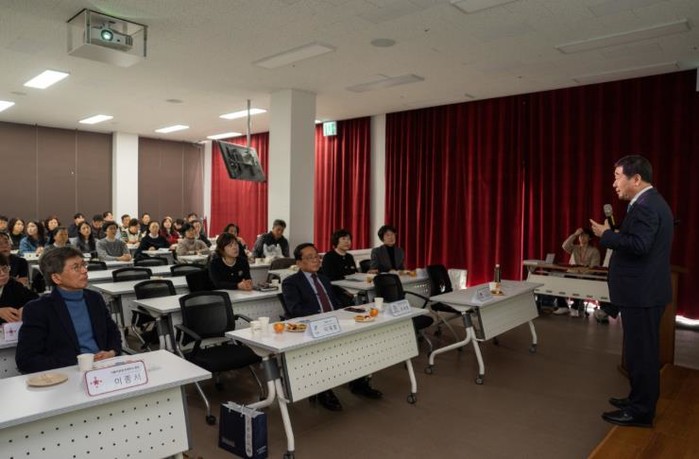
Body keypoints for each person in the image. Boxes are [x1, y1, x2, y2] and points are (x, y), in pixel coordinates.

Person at [589, 155, 673, 428]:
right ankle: (637, 399)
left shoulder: (646, 206)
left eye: (617, 177)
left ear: (636, 179)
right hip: (642, 292)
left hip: (643, 294)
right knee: (638, 353)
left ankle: (641, 412)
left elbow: (639, 245)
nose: (614, 183)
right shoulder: (649, 202)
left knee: (642, 355)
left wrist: (607, 236)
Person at [282, 243, 382, 411]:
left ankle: (358, 382)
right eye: (309, 257)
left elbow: (334, 302)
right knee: (326, 350)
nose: (315, 260)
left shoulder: (323, 279)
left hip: (334, 322)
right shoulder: (291, 282)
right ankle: (323, 390)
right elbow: (295, 309)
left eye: (316, 256)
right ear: (298, 263)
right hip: (313, 327)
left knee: (359, 339)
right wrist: (322, 315)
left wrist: (344, 312)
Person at [15, 246, 122, 373]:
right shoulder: (38, 309)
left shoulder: (94, 298)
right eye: (76, 267)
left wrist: (111, 353)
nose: (84, 270)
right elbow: (26, 360)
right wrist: (77, 363)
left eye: (83, 265)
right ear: (56, 278)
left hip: (103, 367)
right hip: (67, 374)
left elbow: (113, 333)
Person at [552, 228, 601, 317]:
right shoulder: (575, 248)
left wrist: (583, 274)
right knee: (558, 279)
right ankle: (563, 306)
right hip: (572, 273)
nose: (582, 237)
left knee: (581, 282)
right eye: (580, 236)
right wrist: (575, 234)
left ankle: (575, 307)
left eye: (585, 236)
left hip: (585, 275)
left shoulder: (594, 251)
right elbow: (564, 246)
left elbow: (594, 268)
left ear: (589, 238)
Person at [321, 229, 359, 306]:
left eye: (349, 239)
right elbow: (328, 279)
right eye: (343, 239)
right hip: (336, 292)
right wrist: (344, 291)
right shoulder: (329, 257)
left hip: (352, 289)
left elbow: (355, 274)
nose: (347, 242)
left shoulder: (349, 257)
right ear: (336, 241)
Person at [0, 254, 38, 323]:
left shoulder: (13, 285)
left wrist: (26, 308)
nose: (3, 274)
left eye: (4, 269)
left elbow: (35, 299)